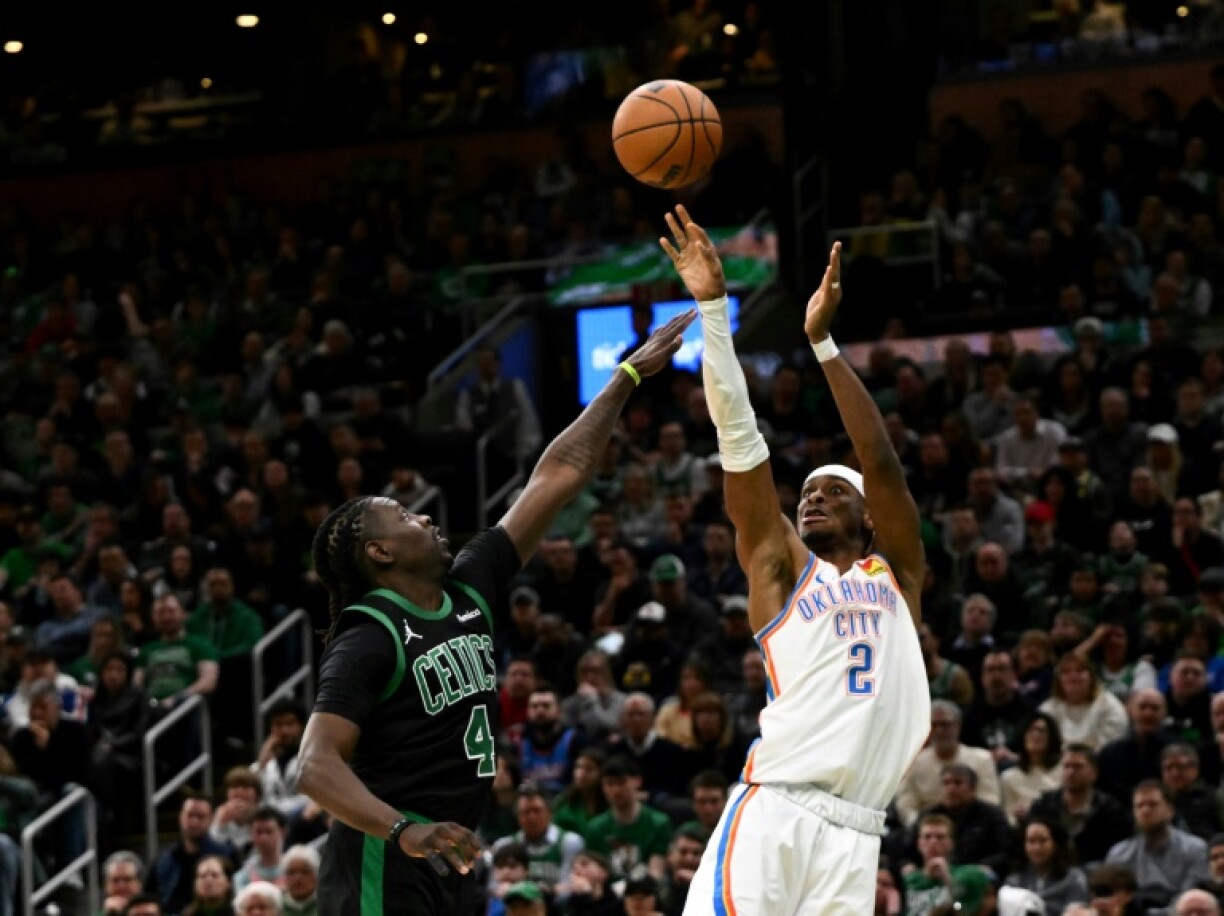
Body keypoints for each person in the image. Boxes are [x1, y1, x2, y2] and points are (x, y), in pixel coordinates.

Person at [295, 313, 694, 915]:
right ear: (378, 552)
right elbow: (314, 766)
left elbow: (557, 474)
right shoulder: (370, 634)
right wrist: (403, 830)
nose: (425, 517)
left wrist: (627, 376)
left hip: (448, 850)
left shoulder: (469, 587)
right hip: (384, 859)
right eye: (405, 516)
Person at [662, 207, 929, 913]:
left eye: (831, 493)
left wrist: (823, 345)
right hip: (777, 807)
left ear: (869, 516)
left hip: (858, 833)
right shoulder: (781, 571)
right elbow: (739, 436)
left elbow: (881, 460)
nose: (811, 499)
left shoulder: (897, 577)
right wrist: (714, 311)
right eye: (805, 492)